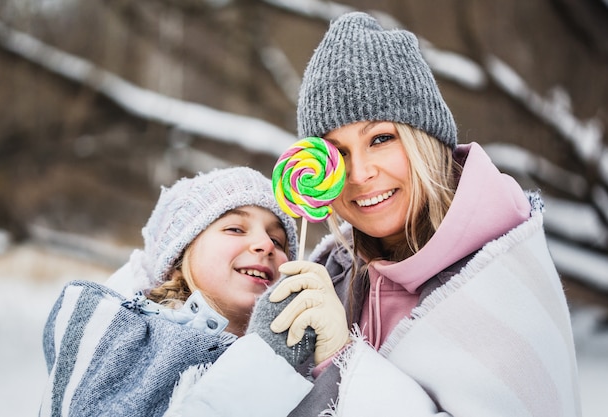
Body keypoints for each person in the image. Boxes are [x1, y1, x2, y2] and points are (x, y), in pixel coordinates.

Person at [176, 11, 581, 417]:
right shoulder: (338, 276)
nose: (361, 174)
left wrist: (343, 356)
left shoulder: (500, 279)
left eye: (381, 138)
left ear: (426, 139)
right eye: (340, 152)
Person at [38, 167, 312, 417]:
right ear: (177, 259)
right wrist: (265, 360)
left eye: (278, 241)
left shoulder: (301, 363)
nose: (265, 244)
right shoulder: (126, 341)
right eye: (235, 229)